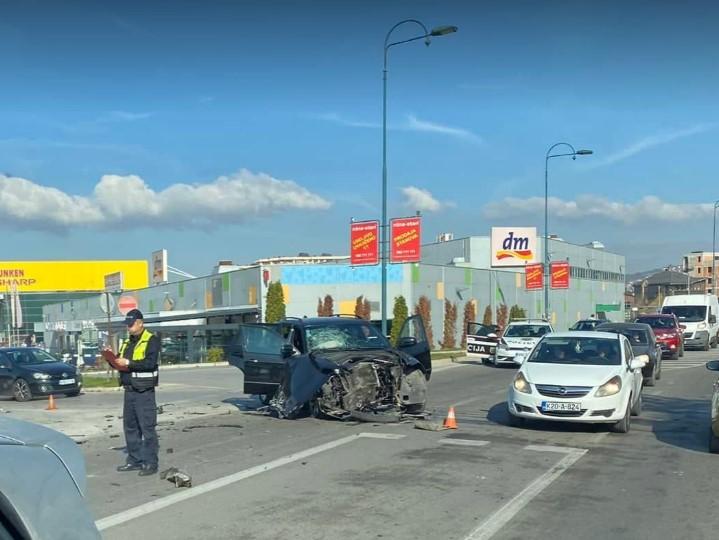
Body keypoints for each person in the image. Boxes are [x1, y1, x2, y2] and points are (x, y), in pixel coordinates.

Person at [112, 309, 161, 476]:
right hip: (130, 391)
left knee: (147, 428)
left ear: (140, 323)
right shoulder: (127, 342)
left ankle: (151, 463)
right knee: (130, 428)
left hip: (144, 392)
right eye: (127, 325)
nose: (129, 328)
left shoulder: (151, 340)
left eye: (131, 324)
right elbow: (121, 361)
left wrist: (129, 362)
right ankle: (134, 460)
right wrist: (112, 359)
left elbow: (149, 363)